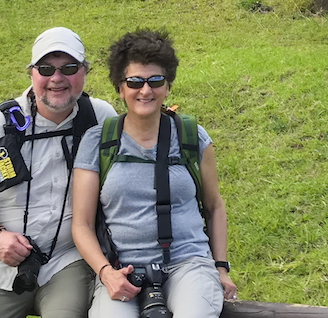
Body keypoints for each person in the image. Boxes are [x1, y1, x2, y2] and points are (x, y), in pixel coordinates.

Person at [0, 27, 118, 318]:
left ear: (85, 72)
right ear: (31, 73)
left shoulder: (101, 119)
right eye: (45, 68)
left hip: (68, 259)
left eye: (69, 67)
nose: (57, 78)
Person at [72, 30, 237, 318]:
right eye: (135, 81)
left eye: (155, 81)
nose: (145, 90)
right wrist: (106, 273)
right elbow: (81, 224)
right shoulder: (98, 142)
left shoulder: (191, 137)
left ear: (167, 86)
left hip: (187, 262)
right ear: (120, 88)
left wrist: (220, 268)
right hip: (121, 267)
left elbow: (214, 206)